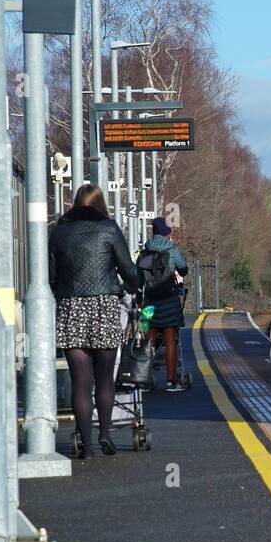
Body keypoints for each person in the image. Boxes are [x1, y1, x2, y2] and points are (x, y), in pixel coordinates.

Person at [49, 183, 140, 457]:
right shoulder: (109, 229)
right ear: (101, 204)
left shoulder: (58, 231)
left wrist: (63, 294)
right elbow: (128, 269)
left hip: (71, 306)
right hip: (104, 306)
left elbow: (51, 275)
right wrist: (135, 286)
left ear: (75, 203)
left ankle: (86, 446)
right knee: (104, 379)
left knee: (81, 382)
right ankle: (104, 434)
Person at [140, 215, 188, 392]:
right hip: (169, 301)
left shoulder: (145, 252)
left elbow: (138, 277)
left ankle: (144, 379)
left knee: (148, 340)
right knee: (170, 340)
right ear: (167, 232)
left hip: (148, 304)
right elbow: (184, 269)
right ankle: (171, 381)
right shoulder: (172, 249)